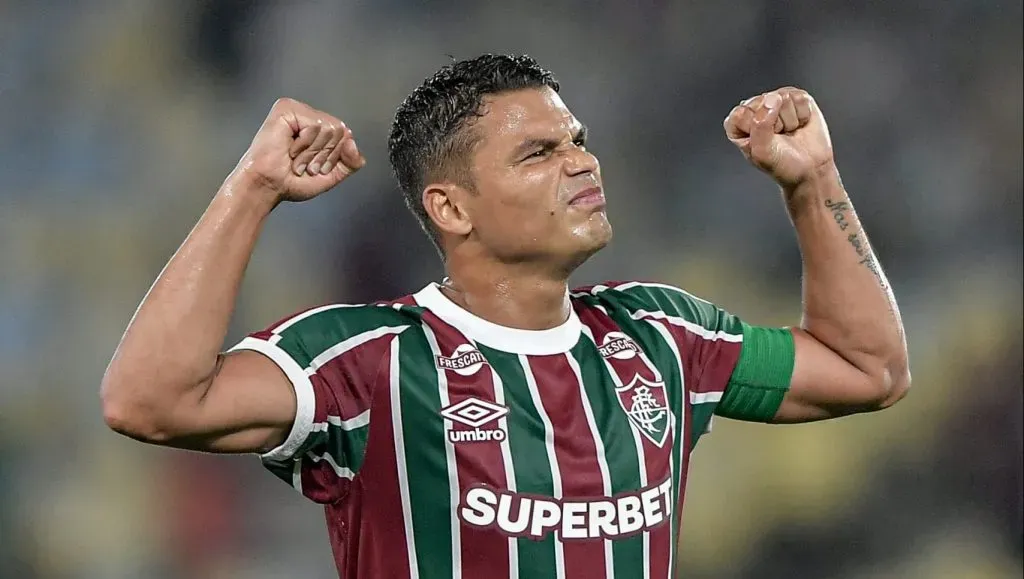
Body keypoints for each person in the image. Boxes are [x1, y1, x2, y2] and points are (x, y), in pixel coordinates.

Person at [101, 54, 911, 578]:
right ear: (451, 207)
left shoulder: (660, 338)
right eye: (539, 153)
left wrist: (813, 181)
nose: (583, 161)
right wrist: (252, 188)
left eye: (577, 140)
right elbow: (148, 399)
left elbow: (868, 367)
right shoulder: (365, 360)